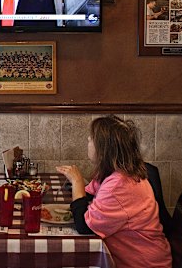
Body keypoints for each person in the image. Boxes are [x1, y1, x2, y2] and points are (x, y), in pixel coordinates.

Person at [56, 115, 171, 268]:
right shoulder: (114, 172)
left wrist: (77, 181)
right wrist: (76, 186)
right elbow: (89, 193)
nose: (88, 140)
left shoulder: (119, 185)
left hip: (143, 263)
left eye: (92, 139)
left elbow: (83, 226)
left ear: (103, 150)